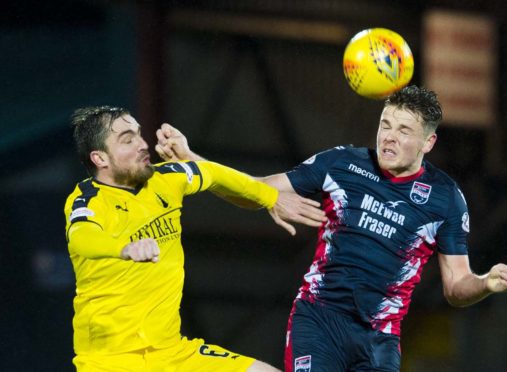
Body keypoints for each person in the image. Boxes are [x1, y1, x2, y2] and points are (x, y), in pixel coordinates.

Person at [156, 85, 507, 371]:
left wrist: (485, 283)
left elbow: (456, 286)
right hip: (319, 321)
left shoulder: (445, 198)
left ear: (428, 143)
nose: (389, 137)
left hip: (379, 340)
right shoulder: (341, 163)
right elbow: (257, 187)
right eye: (385, 124)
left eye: (404, 131)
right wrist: (193, 160)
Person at [64, 106, 327, 372]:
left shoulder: (167, 179)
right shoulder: (88, 200)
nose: (143, 145)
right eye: (127, 140)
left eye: (139, 135)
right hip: (111, 362)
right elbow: (81, 238)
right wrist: (124, 248)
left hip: (173, 353)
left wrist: (270, 198)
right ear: (100, 159)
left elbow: (213, 174)